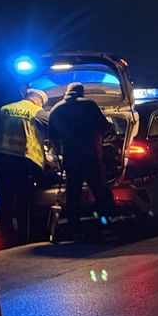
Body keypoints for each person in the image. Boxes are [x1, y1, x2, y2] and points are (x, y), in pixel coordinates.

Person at [48, 83, 115, 238]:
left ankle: (74, 228)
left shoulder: (56, 109)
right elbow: (105, 128)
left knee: (73, 194)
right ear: (81, 92)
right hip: (91, 156)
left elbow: (53, 139)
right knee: (100, 191)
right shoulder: (89, 105)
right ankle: (106, 225)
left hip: (71, 159)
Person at [0, 88, 49, 247]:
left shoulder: (5, 109)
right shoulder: (37, 112)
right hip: (24, 159)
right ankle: (24, 235)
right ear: (38, 100)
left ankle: (6, 236)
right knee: (24, 198)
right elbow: (55, 127)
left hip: (2, 158)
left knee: (5, 198)